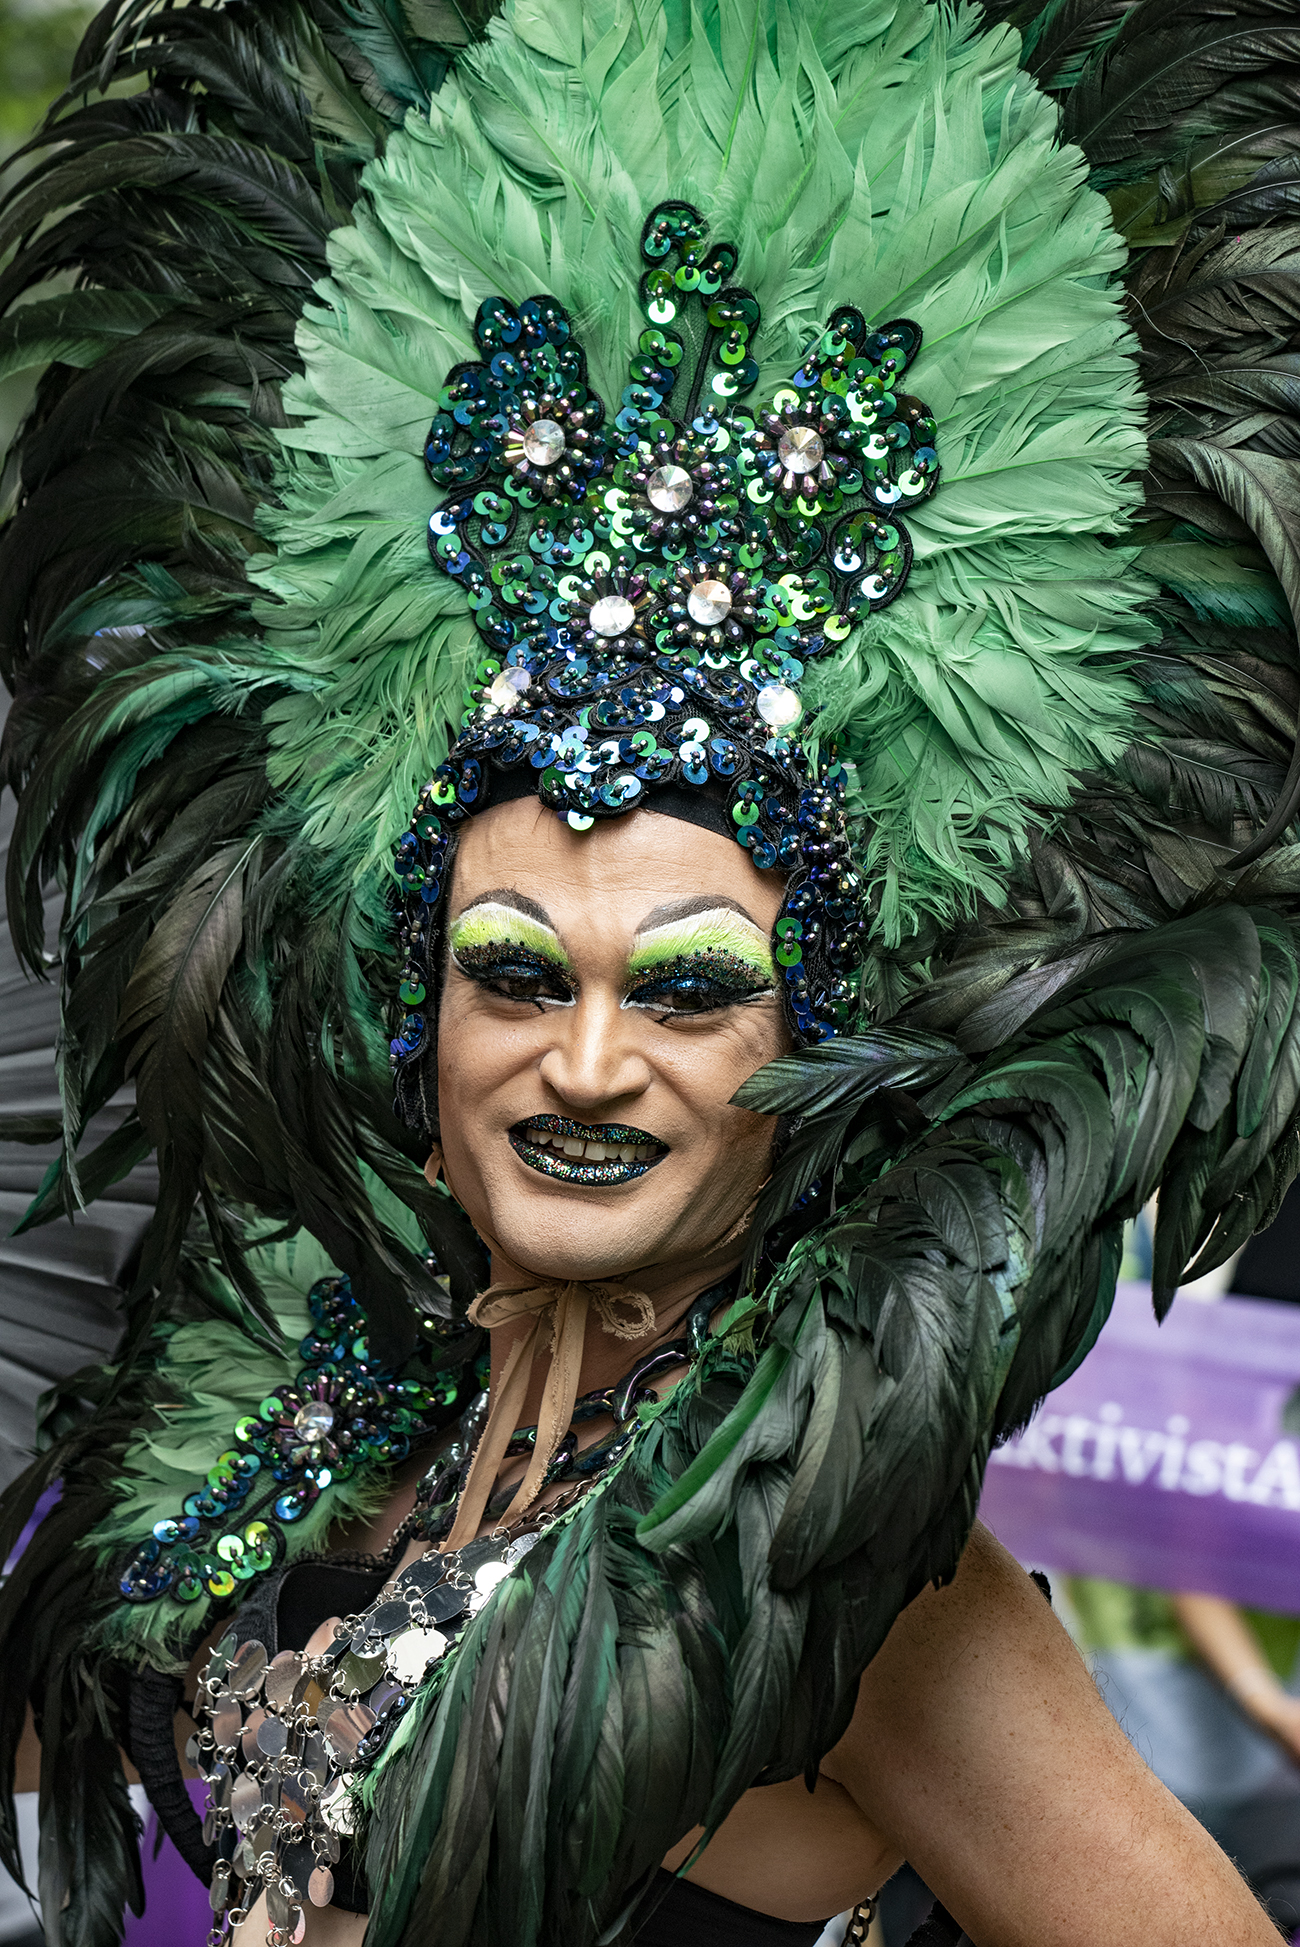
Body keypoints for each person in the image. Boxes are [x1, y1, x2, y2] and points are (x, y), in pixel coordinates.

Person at [1, 3, 1300, 1947]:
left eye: (687, 991)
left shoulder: (837, 1556)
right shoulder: (317, 1423)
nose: (588, 1062)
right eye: (516, 975)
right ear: (417, 1012)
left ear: (813, 1052)